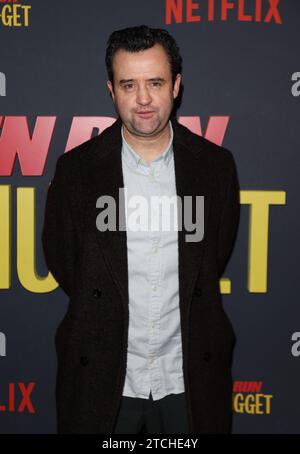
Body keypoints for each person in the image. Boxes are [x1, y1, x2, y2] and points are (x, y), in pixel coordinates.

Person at [42, 25, 240, 434]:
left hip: (187, 380)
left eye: (155, 82)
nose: (144, 99)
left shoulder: (214, 167)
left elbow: (214, 256)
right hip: (104, 379)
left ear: (176, 86)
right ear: (111, 90)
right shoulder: (76, 171)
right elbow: (64, 261)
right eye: (129, 85)